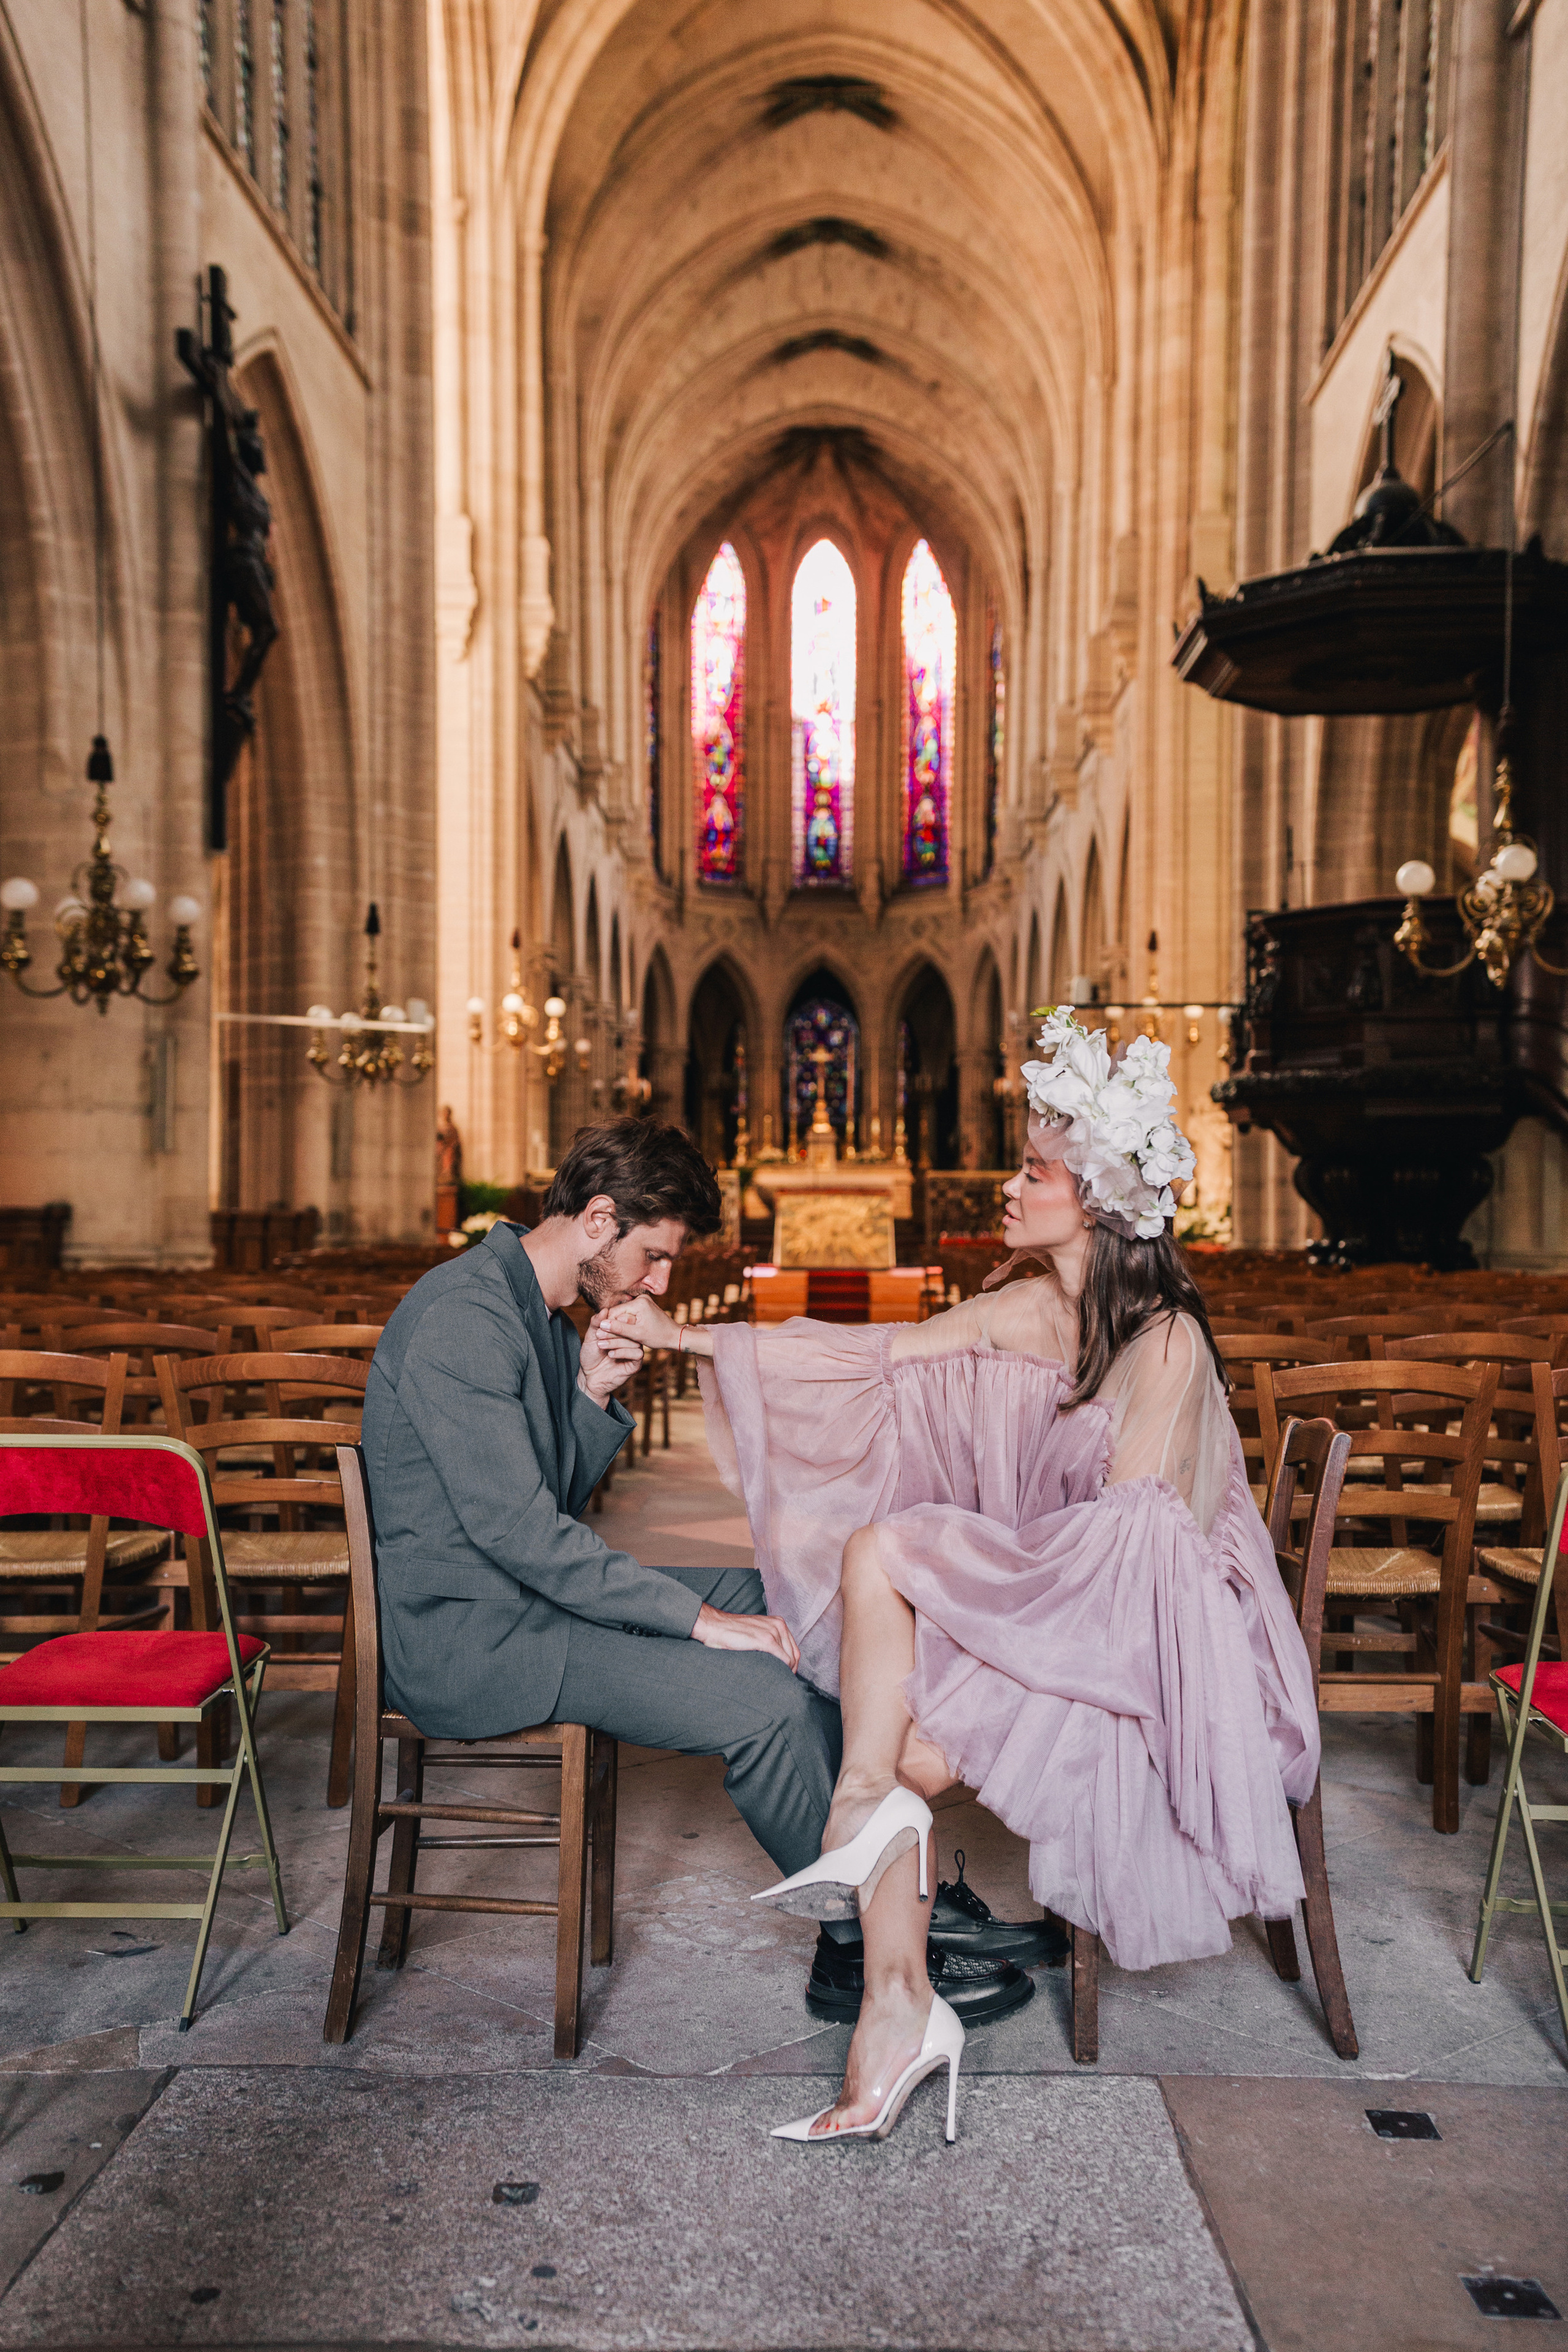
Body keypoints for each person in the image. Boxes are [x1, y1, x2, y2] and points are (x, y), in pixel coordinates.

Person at [603, 1012, 1319, 2143]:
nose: (1008, 1184)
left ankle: (885, 1957)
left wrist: (978, 1578)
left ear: (1095, 1197)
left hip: (1157, 1635)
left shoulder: (1169, 1339)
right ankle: (896, 2007)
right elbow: (867, 1356)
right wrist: (679, 1339)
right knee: (890, 1729)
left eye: (1033, 1170)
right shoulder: (1031, 1307)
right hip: (1071, 1605)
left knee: (889, 1590)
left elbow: (1132, 1554)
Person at [361, 1116, 1038, 2024]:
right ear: (598, 1220)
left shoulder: (536, 1307)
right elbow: (524, 1536)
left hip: (530, 1606)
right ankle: (862, 1945)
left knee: (809, 1605)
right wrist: (697, 1621)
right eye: (655, 1256)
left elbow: (541, 1501)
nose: (661, 1284)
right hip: (478, 1639)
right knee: (763, 1699)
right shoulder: (465, 1318)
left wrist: (592, 1395)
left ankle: (888, 1884)